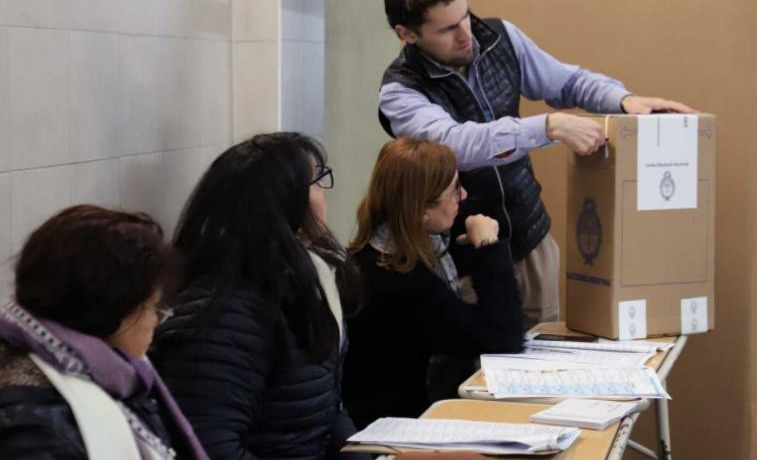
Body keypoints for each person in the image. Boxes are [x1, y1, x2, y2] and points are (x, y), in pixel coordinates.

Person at [378, 0, 695, 325]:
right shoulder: (400, 90)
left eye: (465, 15)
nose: (466, 33)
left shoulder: (500, 37)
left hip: (530, 237)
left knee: (540, 358)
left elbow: (566, 82)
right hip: (462, 250)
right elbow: (455, 146)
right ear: (407, 34)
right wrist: (548, 127)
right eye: (447, 29)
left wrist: (624, 101)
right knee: (474, 367)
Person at [151, 133, 366, 460]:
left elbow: (327, 412)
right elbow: (210, 446)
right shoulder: (226, 314)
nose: (324, 195)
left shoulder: (307, 279)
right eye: (317, 182)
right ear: (285, 203)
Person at [0, 205, 208, 460]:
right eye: (154, 309)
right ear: (112, 311)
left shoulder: (120, 375)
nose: (156, 322)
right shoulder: (35, 428)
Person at [342, 138, 524, 428]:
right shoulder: (405, 285)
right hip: (396, 429)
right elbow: (502, 338)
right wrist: (489, 247)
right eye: (453, 190)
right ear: (422, 210)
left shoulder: (370, 254)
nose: (463, 195)